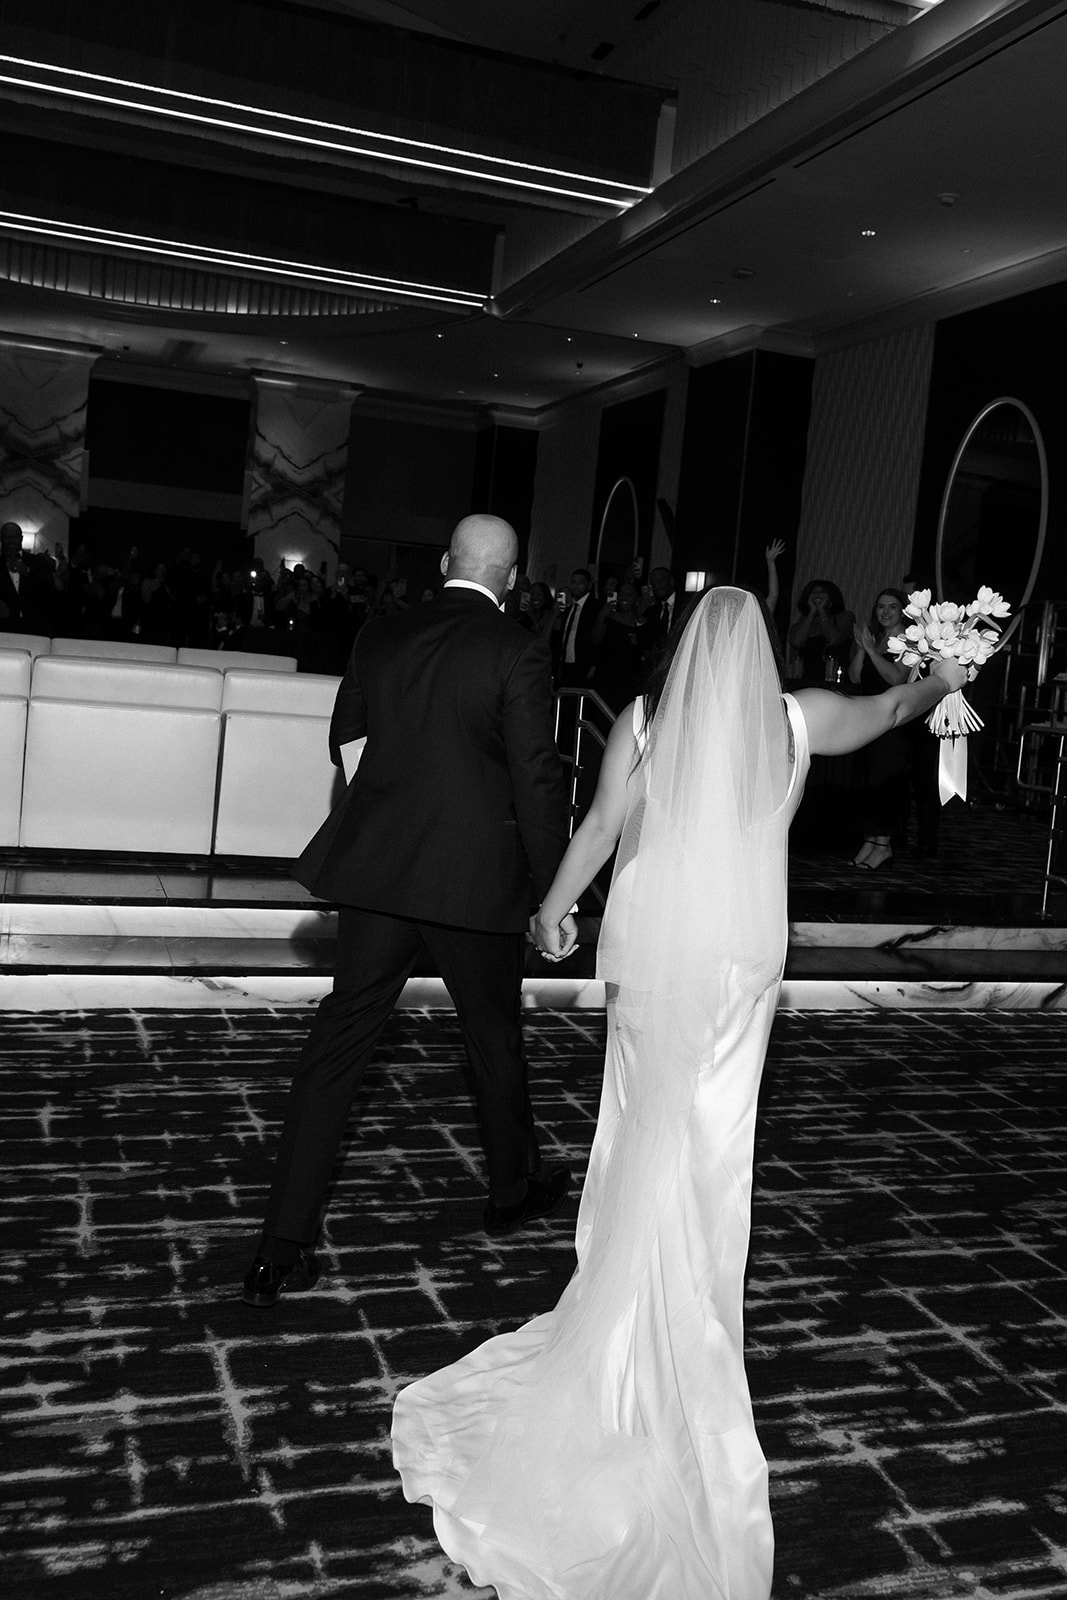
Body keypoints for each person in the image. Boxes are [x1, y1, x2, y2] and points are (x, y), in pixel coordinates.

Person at [392, 585, 967, 1599]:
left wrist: (550, 910)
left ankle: (624, 1306)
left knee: (640, 1129)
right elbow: (886, 711)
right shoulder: (796, 717)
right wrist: (938, 678)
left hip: (656, 955)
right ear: (760, 654)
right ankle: (681, 1306)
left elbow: (604, 824)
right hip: (738, 966)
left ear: (685, 650)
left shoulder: (646, 722)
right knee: (707, 1142)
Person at [242, 514, 573, 1308]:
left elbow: (348, 745)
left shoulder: (379, 634)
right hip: (472, 881)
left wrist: (391, 812)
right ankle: (509, 1192)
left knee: (338, 1048)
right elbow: (535, 779)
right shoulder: (518, 647)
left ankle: (279, 1246)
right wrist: (550, 894)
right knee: (493, 1039)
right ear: (513, 574)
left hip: (382, 876)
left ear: (445, 563)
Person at [847, 587, 912, 869]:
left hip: (894, 722)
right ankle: (870, 841)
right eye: (880, 607)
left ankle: (883, 845)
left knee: (887, 783)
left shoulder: (912, 641)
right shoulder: (874, 639)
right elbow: (853, 676)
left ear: (903, 611)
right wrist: (863, 649)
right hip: (868, 720)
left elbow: (896, 679)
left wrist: (872, 651)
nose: (885, 612)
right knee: (867, 782)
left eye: (892, 607)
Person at [591, 577, 644, 711]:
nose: (623, 598)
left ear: (637, 599)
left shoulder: (643, 623)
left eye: (629, 595)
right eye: (621, 594)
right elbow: (596, 640)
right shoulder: (609, 618)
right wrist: (603, 614)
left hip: (630, 680)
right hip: (607, 677)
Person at [788, 576, 854, 684]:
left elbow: (834, 639)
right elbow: (796, 643)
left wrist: (822, 611)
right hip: (807, 681)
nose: (818, 595)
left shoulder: (845, 617)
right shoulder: (800, 624)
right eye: (813, 592)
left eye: (823, 592)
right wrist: (812, 612)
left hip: (836, 681)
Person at [557, 567, 598, 687]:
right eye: (573, 582)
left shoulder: (595, 607)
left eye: (581, 583)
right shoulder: (569, 609)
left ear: (589, 585)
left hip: (584, 665)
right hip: (566, 664)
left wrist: (594, 664)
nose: (576, 586)